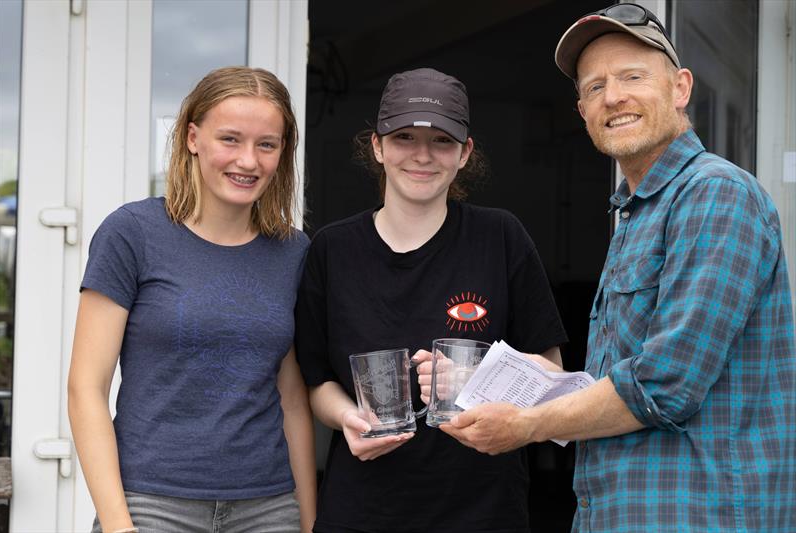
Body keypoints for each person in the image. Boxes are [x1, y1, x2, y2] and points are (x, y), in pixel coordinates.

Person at [441, 4, 796, 532]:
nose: (613, 97)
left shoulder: (717, 195)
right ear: (582, 109)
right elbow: (624, 380)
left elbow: (663, 385)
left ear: (680, 88)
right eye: (594, 86)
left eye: (633, 76)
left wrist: (527, 425)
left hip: (701, 516)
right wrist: (530, 380)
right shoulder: (635, 211)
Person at [295, 67, 567, 532]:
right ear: (377, 147)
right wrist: (347, 418)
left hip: (483, 512)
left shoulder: (500, 237)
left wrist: (481, 378)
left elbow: (555, 375)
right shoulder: (332, 249)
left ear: (465, 153)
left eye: (442, 141)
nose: (422, 155)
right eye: (403, 137)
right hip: (362, 513)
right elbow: (316, 382)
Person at [68, 66, 316, 533]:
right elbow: (86, 389)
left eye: (267, 144)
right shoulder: (133, 233)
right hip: (151, 505)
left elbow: (292, 399)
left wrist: (308, 521)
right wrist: (120, 525)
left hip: (268, 506)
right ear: (192, 137)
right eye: (230, 139)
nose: (249, 160)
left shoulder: (294, 251)